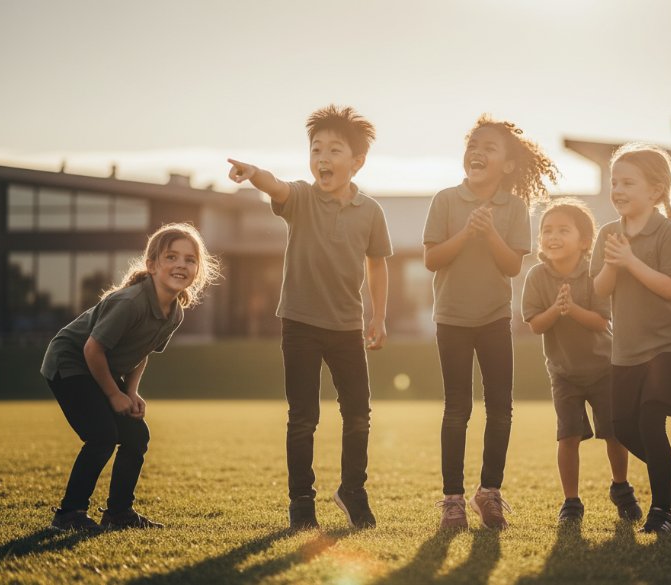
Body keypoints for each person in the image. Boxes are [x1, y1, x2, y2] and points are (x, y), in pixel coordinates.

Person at [227, 104, 392, 530]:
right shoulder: (301, 197)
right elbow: (276, 187)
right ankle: (302, 502)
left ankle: (352, 491)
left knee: (358, 413)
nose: (323, 158)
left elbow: (377, 263)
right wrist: (253, 172)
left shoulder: (371, 211)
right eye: (316, 149)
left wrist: (379, 317)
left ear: (357, 162)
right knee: (303, 417)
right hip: (300, 323)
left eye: (334, 150)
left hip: (347, 327)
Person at [425, 115, 557, 531]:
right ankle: (453, 501)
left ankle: (489, 492)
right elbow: (431, 259)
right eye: (473, 145)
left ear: (508, 165)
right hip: (452, 320)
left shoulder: (515, 208)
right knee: (456, 410)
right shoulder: (445, 200)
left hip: (495, 319)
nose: (478, 152)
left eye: (489, 148)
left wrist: (489, 234)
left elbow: (512, 266)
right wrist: (466, 233)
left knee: (500, 410)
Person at [43, 222, 220, 530]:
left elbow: (142, 351)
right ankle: (69, 514)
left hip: (101, 368)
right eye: (171, 257)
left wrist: (132, 392)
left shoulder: (174, 312)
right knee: (102, 435)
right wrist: (114, 394)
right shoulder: (131, 302)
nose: (181, 264)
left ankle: (118, 513)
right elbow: (92, 349)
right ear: (151, 265)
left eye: (190, 259)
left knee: (137, 435)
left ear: (198, 269)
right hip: (70, 362)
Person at [590, 143, 671, 533]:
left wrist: (631, 261)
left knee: (652, 422)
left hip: (667, 344)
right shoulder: (607, 233)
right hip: (627, 348)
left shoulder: (668, 231)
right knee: (622, 425)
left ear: (655, 191)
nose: (617, 189)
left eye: (627, 182)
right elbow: (601, 289)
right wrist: (612, 263)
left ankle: (661, 511)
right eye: (613, 182)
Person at [522, 198, 643, 525]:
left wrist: (572, 309)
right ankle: (571, 502)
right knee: (568, 435)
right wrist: (557, 309)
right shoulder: (536, 276)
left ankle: (621, 487)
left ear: (585, 241)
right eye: (547, 230)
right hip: (564, 373)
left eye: (563, 230)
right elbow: (535, 324)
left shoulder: (594, 273)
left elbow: (602, 321)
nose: (553, 236)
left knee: (613, 433)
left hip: (604, 369)